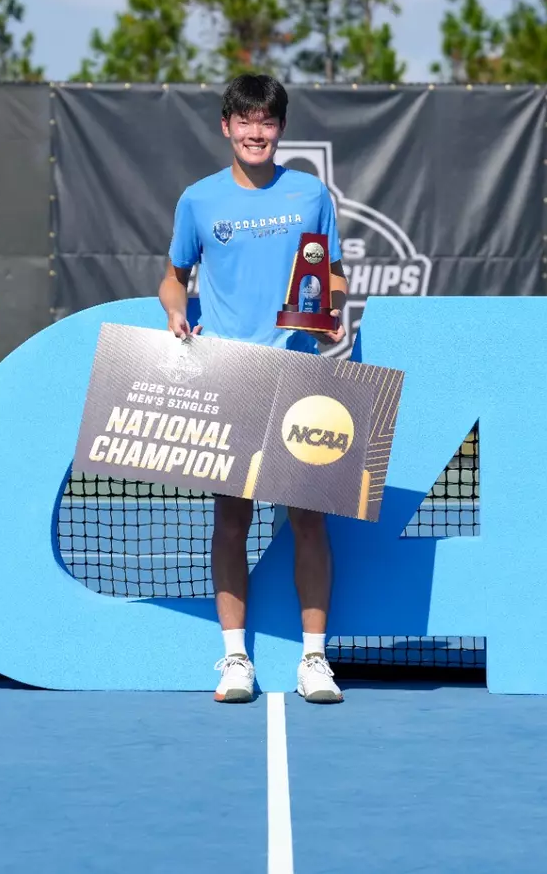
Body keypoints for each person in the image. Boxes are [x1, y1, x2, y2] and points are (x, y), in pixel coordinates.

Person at [157, 73, 349, 706]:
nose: (256, 133)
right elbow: (173, 277)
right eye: (245, 122)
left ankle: (315, 660)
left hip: (300, 375)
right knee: (230, 518)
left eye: (267, 123)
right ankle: (235, 657)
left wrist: (332, 313)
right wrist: (176, 311)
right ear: (227, 128)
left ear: (280, 129)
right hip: (227, 373)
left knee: (308, 522)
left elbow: (335, 276)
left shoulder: (311, 194)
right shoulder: (198, 202)